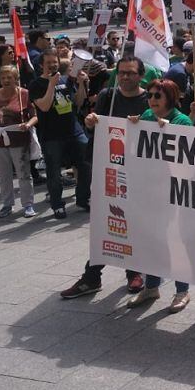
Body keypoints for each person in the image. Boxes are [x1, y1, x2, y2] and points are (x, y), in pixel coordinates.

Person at [60, 56, 150, 300]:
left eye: (131, 73)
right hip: (107, 170)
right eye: (122, 72)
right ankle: (92, 276)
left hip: (137, 173)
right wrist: (91, 122)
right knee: (105, 222)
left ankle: (133, 270)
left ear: (141, 75)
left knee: (131, 222)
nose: (125, 77)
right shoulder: (107, 96)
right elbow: (96, 127)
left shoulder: (148, 99)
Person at [125, 79, 194, 312]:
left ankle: (182, 291)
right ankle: (151, 286)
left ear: (170, 98)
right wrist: (134, 124)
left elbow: (187, 152)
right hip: (149, 189)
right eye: (151, 95)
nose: (152, 100)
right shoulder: (146, 115)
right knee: (152, 240)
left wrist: (170, 131)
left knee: (173, 241)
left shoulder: (181, 120)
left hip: (173, 192)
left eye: (158, 96)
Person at [30, 52, 90, 219]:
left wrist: (80, 83)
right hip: (52, 136)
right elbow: (44, 106)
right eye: (48, 62)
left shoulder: (66, 80)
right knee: (54, 172)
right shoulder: (36, 84)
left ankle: (83, 199)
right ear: (41, 65)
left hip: (74, 131)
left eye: (54, 62)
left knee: (86, 164)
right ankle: (57, 204)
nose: (52, 65)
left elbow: (78, 102)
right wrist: (51, 85)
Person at [0, 65, 38, 218]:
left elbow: (34, 115)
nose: (6, 80)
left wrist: (28, 124)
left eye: (9, 77)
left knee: (23, 173)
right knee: (4, 174)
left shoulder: (24, 94)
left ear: (16, 78)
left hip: (19, 138)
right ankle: (7, 204)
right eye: (3, 77)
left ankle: (28, 204)